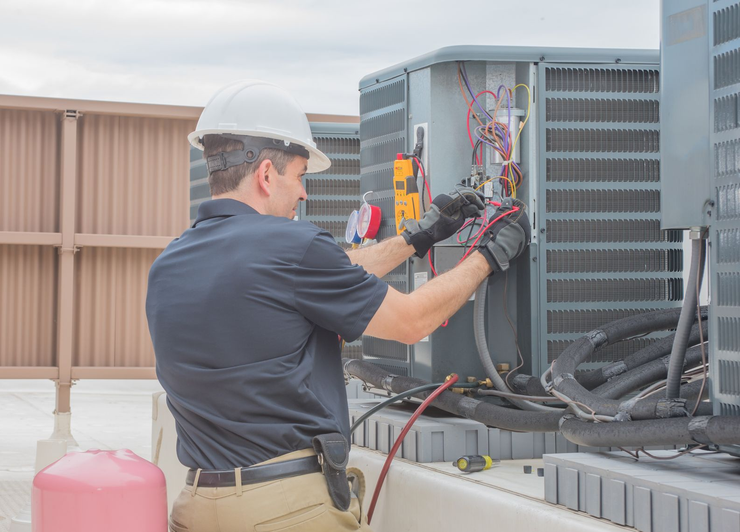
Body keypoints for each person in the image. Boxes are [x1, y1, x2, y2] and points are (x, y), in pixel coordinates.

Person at [146, 80, 530, 532]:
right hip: (285, 510)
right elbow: (411, 321)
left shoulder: (170, 262)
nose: (304, 194)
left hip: (196, 505)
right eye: (300, 176)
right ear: (267, 174)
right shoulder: (292, 248)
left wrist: (417, 238)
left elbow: (329, 273)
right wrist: (488, 255)